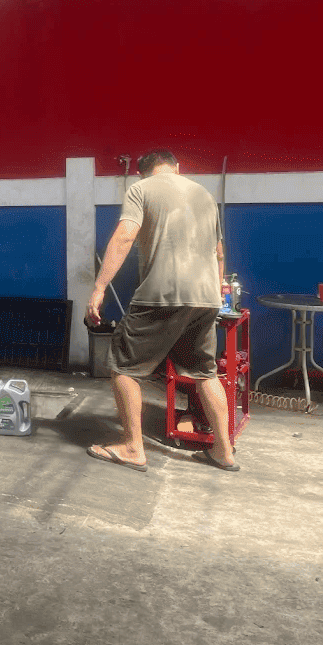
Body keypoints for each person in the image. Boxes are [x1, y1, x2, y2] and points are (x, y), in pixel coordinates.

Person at [85, 148, 238, 473]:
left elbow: (125, 236)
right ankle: (224, 451)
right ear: (176, 167)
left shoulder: (141, 189)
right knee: (205, 372)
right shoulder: (204, 194)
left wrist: (99, 288)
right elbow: (219, 252)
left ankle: (132, 447)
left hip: (161, 295)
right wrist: (214, 293)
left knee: (123, 366)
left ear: (142, 172)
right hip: (206, 297)